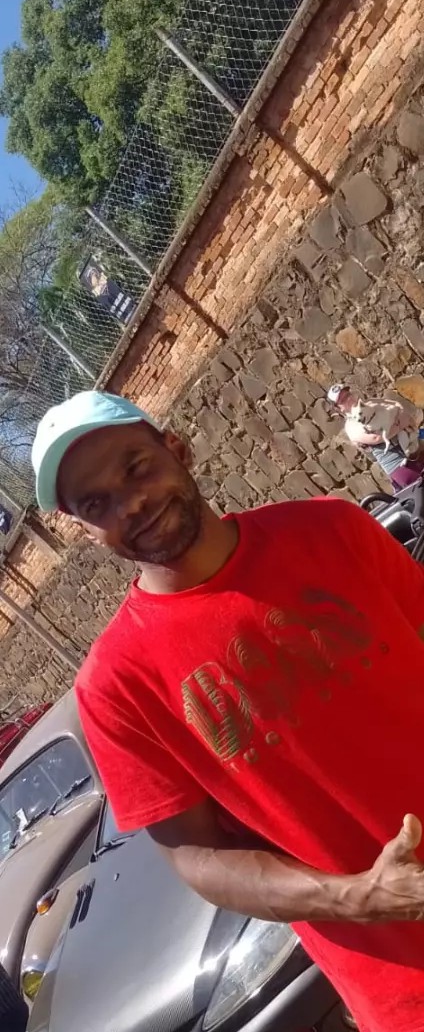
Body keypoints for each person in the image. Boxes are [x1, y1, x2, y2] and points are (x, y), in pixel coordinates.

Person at [31, 389, 424, 1032]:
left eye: (135, 467)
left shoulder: (331, 529)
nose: (131, 505)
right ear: (86, 530)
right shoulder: (115, 688)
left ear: (177, 449)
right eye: (96, 504)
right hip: (405, 985)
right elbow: (196, 857)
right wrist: (357, 897)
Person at [327, 383, 422, 491]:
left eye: (348, 395)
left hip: (416, 445)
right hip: (397, 463)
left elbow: (396, 405)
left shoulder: (372, 402)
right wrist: (400, 424)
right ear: (338, 408)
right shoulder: (351, 426)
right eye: (343, 400)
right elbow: (376, 438)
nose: (348, 399)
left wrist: (405, 418)